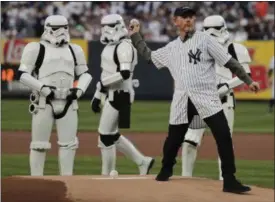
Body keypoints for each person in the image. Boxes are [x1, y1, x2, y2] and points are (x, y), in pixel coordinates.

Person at [129, 7, 260, 194]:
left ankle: (229, 180)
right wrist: (136, 36)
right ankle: (166, 170)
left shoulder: (206, 40)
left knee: (223, 136)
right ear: (176, 21)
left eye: (191, 17)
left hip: (207, 98)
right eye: (184, 17)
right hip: (182, 100)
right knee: (173, 140)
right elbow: (150, 57)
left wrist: (248, 81)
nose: (189, 20)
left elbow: (229, 61)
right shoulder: (172, 48)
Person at [18, 15, 92, 176]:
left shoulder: (75, 49)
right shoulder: (35, 48)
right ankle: (36, 182)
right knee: (39, 145)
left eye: (65, 27)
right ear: (48, 28)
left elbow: (85, 74)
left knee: (69, 145)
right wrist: (43, 88)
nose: (62, 32)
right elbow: (23, 75)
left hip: (68, 101)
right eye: (57, 28)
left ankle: (67, 182)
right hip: (44, 101)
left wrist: (78, 91)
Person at [181, 15, 252, 180]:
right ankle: (185, 179)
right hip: (202, 103)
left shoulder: (236, 49)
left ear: (223, 29)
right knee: (190, 139)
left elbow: (246, 74)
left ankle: (225, 180)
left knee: (224, 142)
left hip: (224, 102)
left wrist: (226, 86)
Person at [91, 14, 155, 176]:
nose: (105, 30)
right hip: (112, 93)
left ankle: (107, 173)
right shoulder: (109, 48)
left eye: (109, 26)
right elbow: (106, 74)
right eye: (103, 26)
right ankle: (142, 161)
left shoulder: (125, 46)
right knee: (110, 135)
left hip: (121, 94)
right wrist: (98, 95)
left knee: (105, 136)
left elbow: (124, 73)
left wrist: (102, 87)